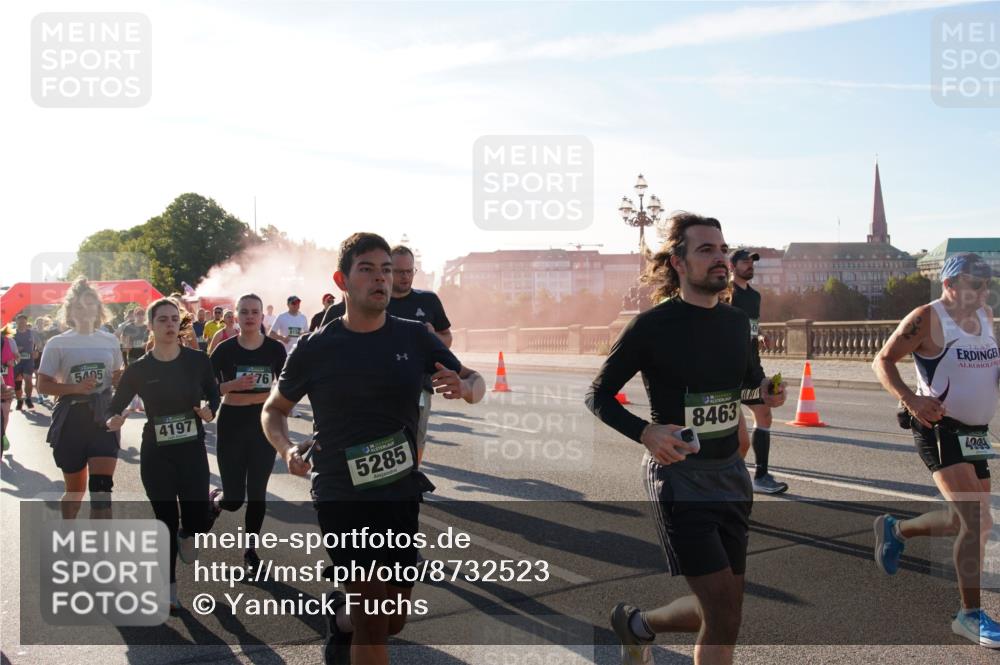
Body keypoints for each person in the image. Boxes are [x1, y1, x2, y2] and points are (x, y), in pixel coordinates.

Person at [262, 232, 485, 665]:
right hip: (341, 493)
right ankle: (355, 621)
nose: (381, 278)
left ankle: (337, 617)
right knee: (373, 618)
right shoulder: (315, 347)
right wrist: (287, 448)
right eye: (367, 269)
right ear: (342, 280)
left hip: (400, 488)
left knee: (392, 619)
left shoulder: (414, 337)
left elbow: (476, 381)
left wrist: (467, 387)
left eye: (386, 269)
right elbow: (273, 411)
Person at [585, 213, 786, 665]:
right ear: (678, 262)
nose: (720, 259)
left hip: (731, 476)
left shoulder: (737, 323)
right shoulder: (652, 326)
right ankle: (639, 627)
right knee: (722, 612)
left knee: (725, 609)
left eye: (721, 249)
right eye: (706, 250)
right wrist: (646, 431)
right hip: (680, 479)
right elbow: (598, 395)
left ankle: (638, 625)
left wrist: (768, 391)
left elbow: (751, 384)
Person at [871, 252, 1000, 648]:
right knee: (975, 521)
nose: (981, 291)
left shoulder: (985, 317)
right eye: (973, 284)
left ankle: (897, 529)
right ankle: (969, 614)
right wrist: (912, 399)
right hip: (939, 428)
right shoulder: (926, 317)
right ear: (949, 284)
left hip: (975, 433)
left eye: (985, 284)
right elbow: (883, 360)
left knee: (975, 523)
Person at [106, 297, 220, 614]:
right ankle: (168, 590)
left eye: (174, 319)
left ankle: (192, 528)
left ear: (179, 324)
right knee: (165, 520)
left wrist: (210, 411)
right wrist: (113, 417)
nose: (169, 325)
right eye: (163, 320)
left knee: (195, 519)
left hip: (192, 449)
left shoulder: (197, 361)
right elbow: (116, 403)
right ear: (152, 326)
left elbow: (213, 393)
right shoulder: (140, 369)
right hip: (157, 452)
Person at [321, 245, 453, 462]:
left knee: (414, 441)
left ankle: (411, 477)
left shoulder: (428, 301)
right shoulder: (372, 300)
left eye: (410, 271)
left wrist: (431, 339)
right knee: (369, 444)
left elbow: (447, 337)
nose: (405, 277)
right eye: (399, 271)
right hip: (369, 388)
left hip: (417, 387)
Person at [208, 293, 287, 571]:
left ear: (262, 316)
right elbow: (205, 388)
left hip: (261, 423)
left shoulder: (276, 350)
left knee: (257, 493)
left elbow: (285, 389)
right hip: (232, 421)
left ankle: (250, 550)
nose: (250, 316)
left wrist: (282, 434)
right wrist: (231, 385)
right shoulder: (225, 350)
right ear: (236, 317)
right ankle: (216, 501)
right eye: (244, 312)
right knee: (233, 499)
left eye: (255, 312)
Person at [37, 277, 125, 519]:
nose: (84, 310)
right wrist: (74, 387)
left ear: (98, 308)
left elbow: (118, 374)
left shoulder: (109, 340)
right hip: (71, 420)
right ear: (69, 310)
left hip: (102, 417)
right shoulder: (57, 343)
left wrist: (119, 380)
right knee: (75, 492)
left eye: (89, 304)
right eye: (78, 306)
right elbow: (42, 385)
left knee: (101, 494)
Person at [728, 249, 787, 495]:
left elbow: (753, 325)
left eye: (752, 262)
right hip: (731, 367)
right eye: (745, 262)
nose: (750, 265)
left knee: (764, 414)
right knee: (735, 436)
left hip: (753, 365)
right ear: (732, 266)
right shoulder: (725, 294)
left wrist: (760, 335)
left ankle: (761, 476)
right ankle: (728, 480)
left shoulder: (754, 296)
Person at [13, 315, 41, 411]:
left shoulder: (31, 333)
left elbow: (38, 345)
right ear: (16, 322)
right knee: (17, 383)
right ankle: (19, 400)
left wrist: (36, 351)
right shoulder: (12, 334)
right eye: (20, 322)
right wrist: (16, 350)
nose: (22, 324)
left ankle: (28, 398)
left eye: (23, 322)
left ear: (26, 323)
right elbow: (6, 347)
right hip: (16, 361)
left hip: (28, 361)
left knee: (28, 379)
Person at [1, 326, 17, 455]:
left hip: (5, 382)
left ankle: (2, 433)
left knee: (5, 412)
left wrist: (13, 362)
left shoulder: (9, 341)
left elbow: (17, 358)